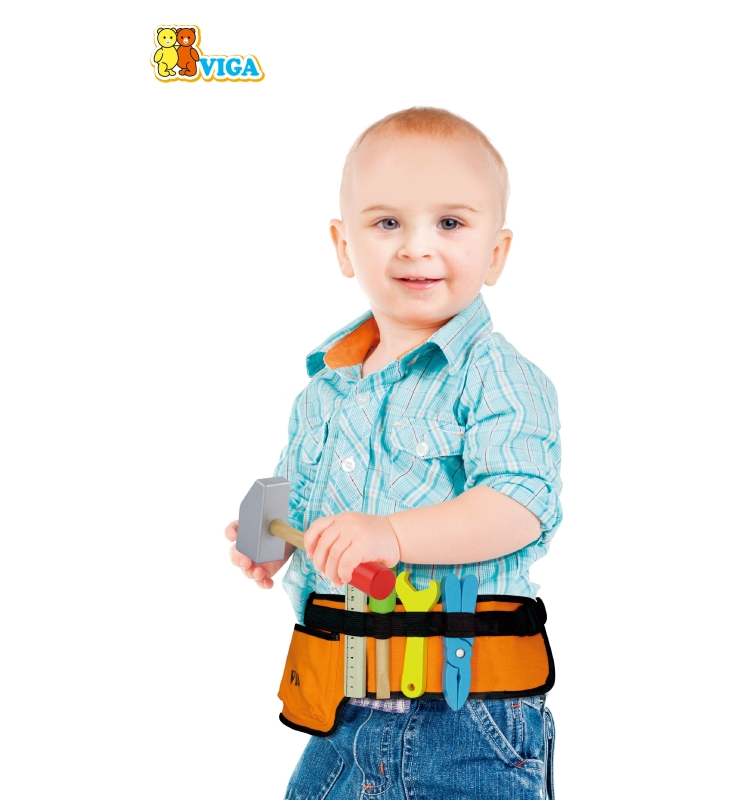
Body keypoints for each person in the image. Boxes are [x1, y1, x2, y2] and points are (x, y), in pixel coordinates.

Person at [225, 107, 562, 799]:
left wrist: (392, 535)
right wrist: (273, 541)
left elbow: (520, 504)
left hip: (465, 719)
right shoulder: (322, 392)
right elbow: (300, 505)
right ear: (343, 246)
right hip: (339, 707)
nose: (416, 248)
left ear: (497, 253)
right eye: (386, 223)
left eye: (450, 223)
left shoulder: (500, 379)